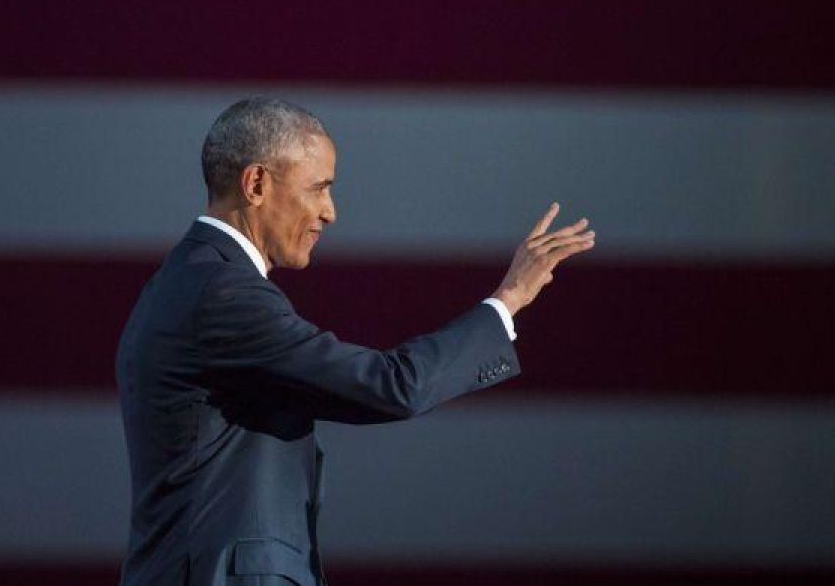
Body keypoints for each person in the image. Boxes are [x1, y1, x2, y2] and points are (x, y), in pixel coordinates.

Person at [116, 97, 595, 585]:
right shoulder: (222, 293)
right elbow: (390, 386)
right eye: (320, 188)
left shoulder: (192, 280)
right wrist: (508, 301)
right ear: (256, 183)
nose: (331, 212)